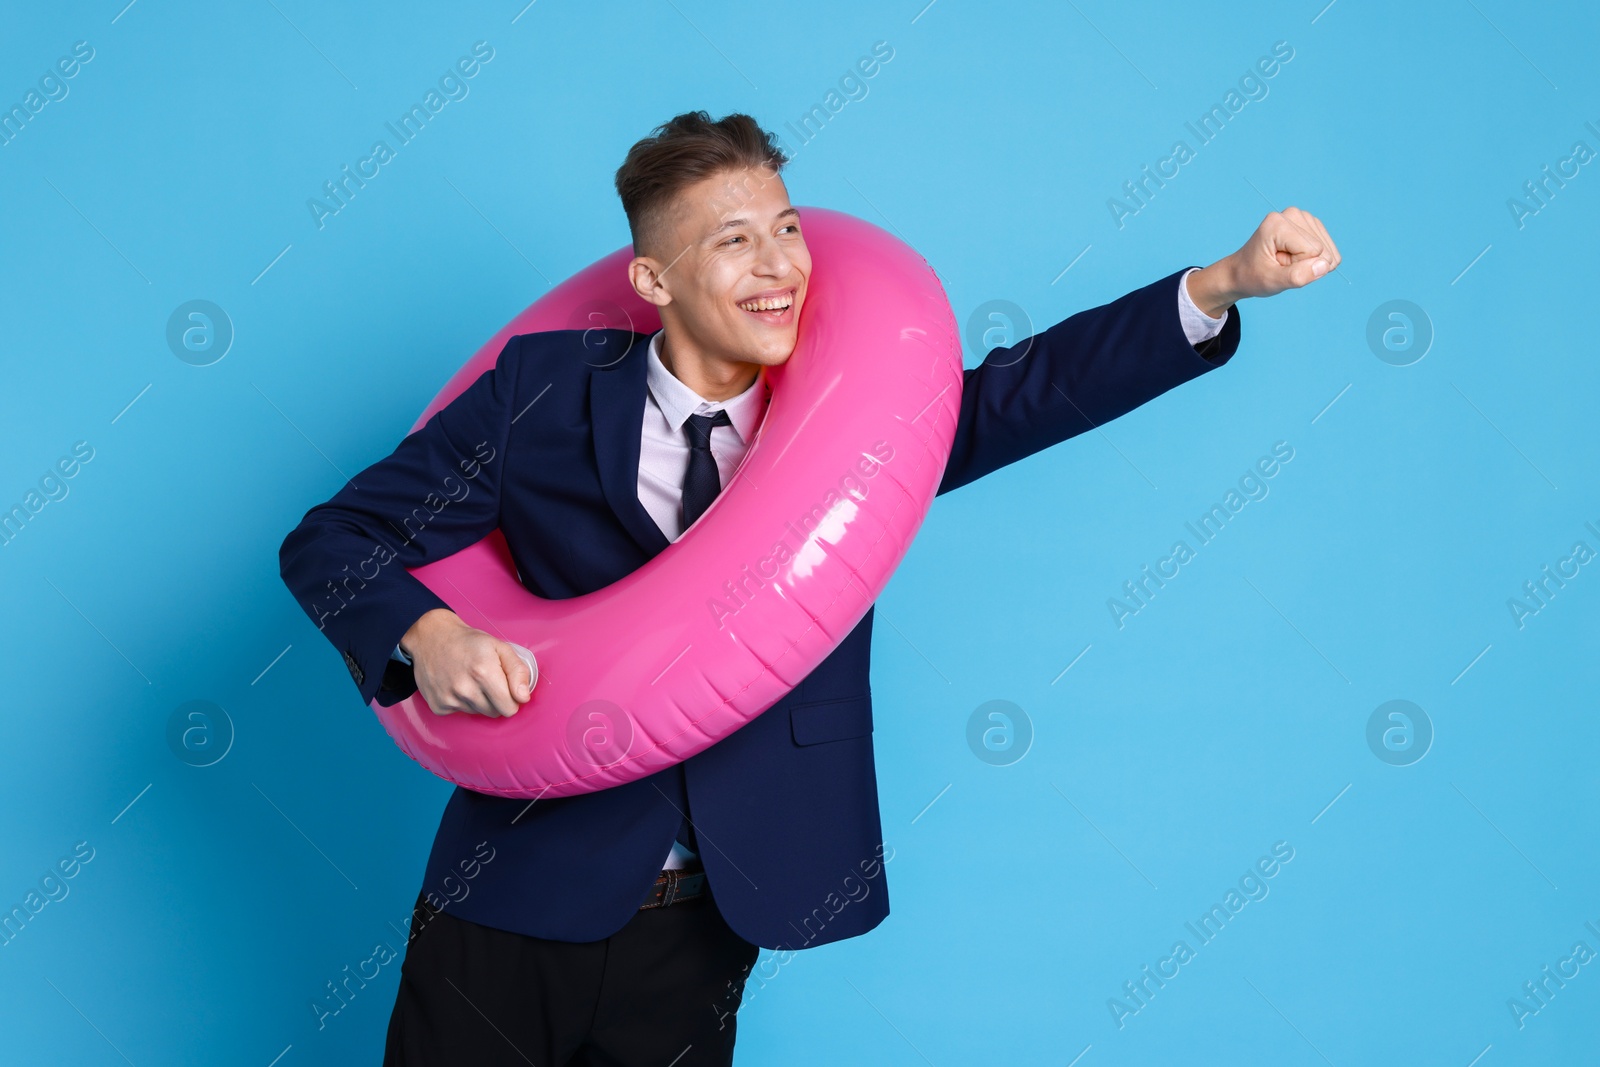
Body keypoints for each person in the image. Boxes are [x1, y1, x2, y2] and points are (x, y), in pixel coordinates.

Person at [277, 110, 1340, 1065]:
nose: (779, 261)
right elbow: (337, 537)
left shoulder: (857, 426)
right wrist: (428, 633)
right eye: (732, 239)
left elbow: (1033, 391)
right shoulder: (541, 398)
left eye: (784, 227)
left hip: (706, 918)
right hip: (513, 897)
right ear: (653, 281)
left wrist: (1216, 286)